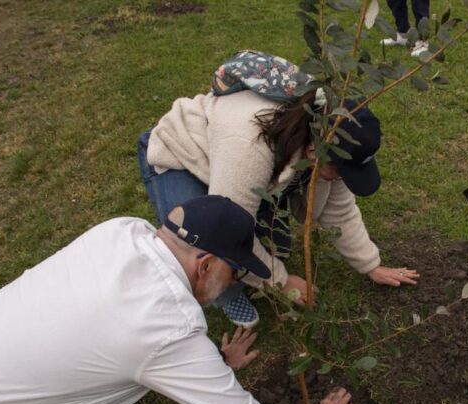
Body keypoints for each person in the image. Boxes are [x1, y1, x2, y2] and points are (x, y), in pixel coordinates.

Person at [0, 195, 354, 404]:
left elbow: (118, 332)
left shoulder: (122, 230)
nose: (235, 282)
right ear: (204, 265)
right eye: (234, 272)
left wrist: (213, 365)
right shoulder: (168, 328)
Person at [138, 56, 419, 329]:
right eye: (339, 171)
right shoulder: (249, 147)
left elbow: (340, 210)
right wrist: (282, 283)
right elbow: (229, 233)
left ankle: (243, 269)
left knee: (274, 250)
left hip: (241, 167)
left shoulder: (330, 132)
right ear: (314, 151)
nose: (339, 178)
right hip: (184, 156)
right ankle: (228, 296)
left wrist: (371, 264)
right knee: (204, 244)